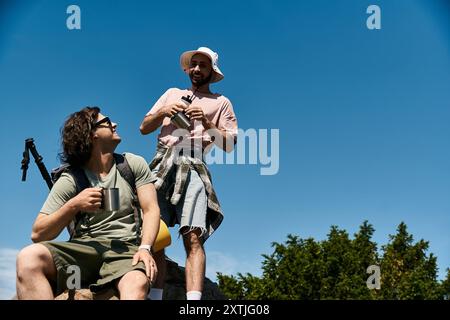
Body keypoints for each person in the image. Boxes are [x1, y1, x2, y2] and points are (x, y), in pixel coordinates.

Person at [16, 107, 160, 300]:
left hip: (125, 250)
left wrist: (145, 248)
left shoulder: (132, 164)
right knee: (28, 258)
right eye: (107, 122)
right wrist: (74, 204)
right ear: (92, 134)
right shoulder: (71, 179)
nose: (115, 124)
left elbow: (151, 209)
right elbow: (38, 233)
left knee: (137, 282)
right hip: (83, 251)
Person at [140, 46, 238, 300]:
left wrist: (206, 122)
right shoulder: (172, 93)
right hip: (162, 160)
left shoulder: (221, 102)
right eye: (193, 64)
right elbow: (143, 127)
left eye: (202, 65)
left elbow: (228, 144)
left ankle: (193, 302)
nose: (196, 69)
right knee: (156, 232)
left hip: (194, 163)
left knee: (193, 235)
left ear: (211, 71)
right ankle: (155, 296)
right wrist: (164, 111)